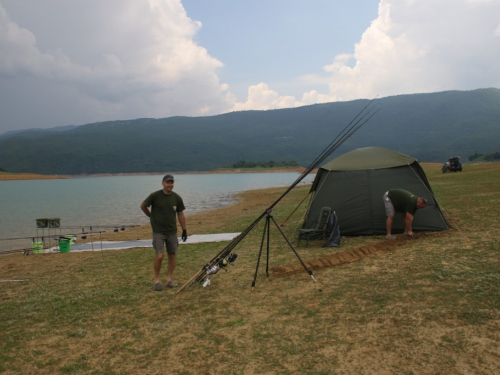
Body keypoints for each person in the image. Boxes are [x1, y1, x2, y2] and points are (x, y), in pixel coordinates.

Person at [141, 174, 187, 291]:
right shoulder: (155, 196)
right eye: (167, 182)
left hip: (172, 231)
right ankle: (157, 281)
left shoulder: (176, 198)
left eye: (171, 182)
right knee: (159, 256)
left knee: (172, 255)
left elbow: (180, 214)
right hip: (158, 232)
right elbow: (143, 206)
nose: (170, 185)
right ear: (163, 183)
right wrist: (151, 216)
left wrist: (184, 229)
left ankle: (169, 279)